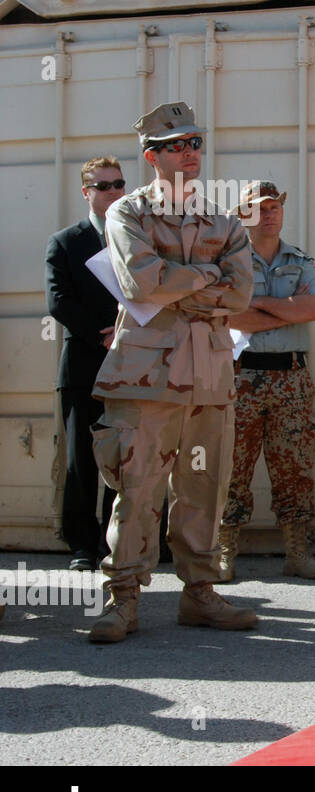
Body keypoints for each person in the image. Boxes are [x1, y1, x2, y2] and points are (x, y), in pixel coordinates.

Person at [88, 101, 257, 643]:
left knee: (205, 487)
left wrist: (180, 286)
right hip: (144, 375)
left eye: (194, 143)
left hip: (209, 373)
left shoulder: (225, 220)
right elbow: (140, 282)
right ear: (151, 156)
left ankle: (200, 594)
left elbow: (239, 293)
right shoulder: (127, 214)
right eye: (175, 145)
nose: (188, 153)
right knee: (137, 487)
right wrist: (204, 280)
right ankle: (123, 599)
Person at [218, 181, 315, 582]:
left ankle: (298, 551)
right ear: (243, 213)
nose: (270, 214)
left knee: (296, 466)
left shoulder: (300, 260)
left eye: (276, 207)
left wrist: (261, 305)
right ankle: (224, 551)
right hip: (241, 374)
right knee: (234, 464)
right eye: (260, 208)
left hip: (292, 376)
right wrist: (288, 309)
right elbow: (228, 317)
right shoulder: (228, 262)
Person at [45, 157, 124, 570]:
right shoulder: (66, 241)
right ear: (86, 192)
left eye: (118, 184)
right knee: (81, 457)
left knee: (125, 456)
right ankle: (81, 545)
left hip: (131, 363)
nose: (112, 192)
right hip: (83, 364)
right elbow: (59, 301)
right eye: (103, 186)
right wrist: (105, 331)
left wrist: (125, 333)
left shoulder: (138, 238)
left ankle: (116, 543)